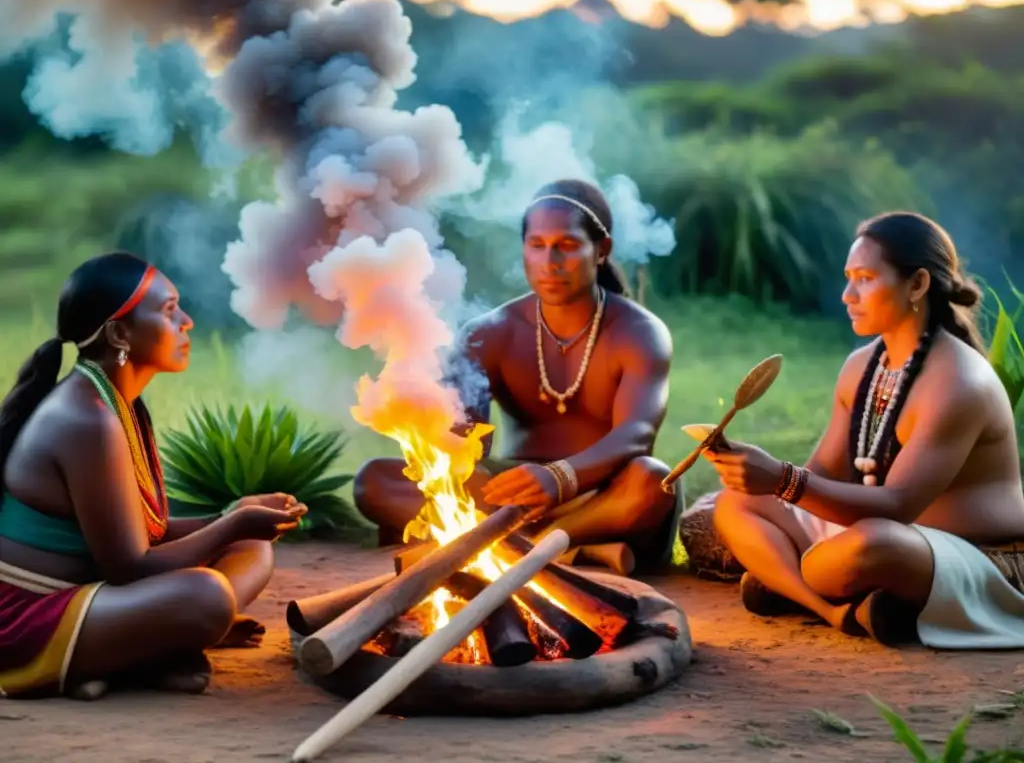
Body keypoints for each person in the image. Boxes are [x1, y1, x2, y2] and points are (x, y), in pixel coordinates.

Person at [705, 211, 1024, 647]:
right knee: (735, 502)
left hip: (972, 553)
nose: (847, 294)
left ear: (917, 285)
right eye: (848, 277)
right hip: (874, 529)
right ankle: (831, 608)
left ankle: (786, 580)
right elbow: (824, 475)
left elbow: (897, 505)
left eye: (866, 278)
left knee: (868, 547)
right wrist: (760, 477)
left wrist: (781, 478)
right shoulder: (863, 366)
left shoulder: (959, 382)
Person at [0, 252, 308, 700]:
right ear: (119, 332)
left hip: (94, 591)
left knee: (252, 549)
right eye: (168, 311)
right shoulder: (86, 418)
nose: (187, 322)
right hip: (28, 618)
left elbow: (145, 533)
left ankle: (145, 649)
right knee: (208, 597)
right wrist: (230, 524)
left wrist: (235, 519)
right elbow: (129, 566)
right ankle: (155, 651)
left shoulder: (117, 403)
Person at [353, 179, 682, 572]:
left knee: (653, 481)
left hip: (602, 492)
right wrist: (432, 413)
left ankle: (522, 546)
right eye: (537, 245)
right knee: (374, 481)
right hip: (513, 493)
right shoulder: (489, 332)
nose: (550, 262)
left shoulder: (639, 332)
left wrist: (560, 478)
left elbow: (636, 435)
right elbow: (464, 449)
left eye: (567, 245)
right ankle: (573, 550)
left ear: (602, 250)